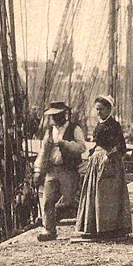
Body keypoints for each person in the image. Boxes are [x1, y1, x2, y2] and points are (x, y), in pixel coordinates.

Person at [74, 95, 132, 240]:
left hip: (109, 162)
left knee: (107, 196)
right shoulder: (100, 124)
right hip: (96, 161)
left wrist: (109, 156)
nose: (98, 112)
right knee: (96, 194)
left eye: (101, 109)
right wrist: (92, 152)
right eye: (97, 109)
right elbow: (99, 142)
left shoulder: (113, 125)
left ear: (108, 109)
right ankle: (95, 227)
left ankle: (110, 228)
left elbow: (121, 147)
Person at [35, 101, 86, 242]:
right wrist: (38, 170)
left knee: (70, 201)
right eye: (53, 116)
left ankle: (84, 226)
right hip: (52, 169)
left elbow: (82, 147)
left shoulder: (74, 129)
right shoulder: (50, 131)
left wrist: (66, 144)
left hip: (68, 169)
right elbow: (43, 152)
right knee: (47, 200)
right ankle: (49, 230)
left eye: (57, 115)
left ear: (64, 114)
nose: (55, 118)